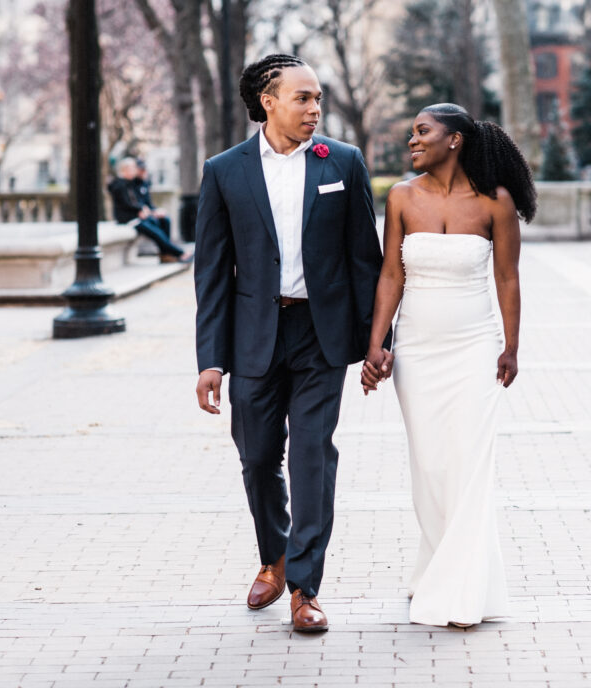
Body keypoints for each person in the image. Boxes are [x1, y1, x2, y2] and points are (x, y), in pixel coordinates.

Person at [193, 54, 385, 632]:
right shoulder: (224, 170)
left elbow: (365, 263)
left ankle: (304, 586)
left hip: (320, 336)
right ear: (268, 102)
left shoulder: (343, 163)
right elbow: (212, 273)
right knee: (257, 459)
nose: (315, 108)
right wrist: (211, 361)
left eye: (317, 97)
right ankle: (271, 558)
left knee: (311, 455)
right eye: (302, 98)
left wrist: (378, 343)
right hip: (253, 335)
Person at [360, 102, 537, 628]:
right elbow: (391, 274)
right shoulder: (401, 197)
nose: (411, 141)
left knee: (468, 463)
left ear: (455, 139)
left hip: (475, 349)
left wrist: (511, 346)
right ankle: (438, 563)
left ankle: (461, 591)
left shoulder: (494, 203)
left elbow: (507, 278)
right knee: (430, 465)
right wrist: (377, 344)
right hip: (416, 349)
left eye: (422, 131)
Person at [106, 157, 192, 263]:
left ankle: (166, 254)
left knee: (163, 221)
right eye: (133, 168)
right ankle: (180, 253)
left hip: (137, 216)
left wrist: (150, 210)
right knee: (156, 233)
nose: (135, 170)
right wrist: (141, 210)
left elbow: (140, 201)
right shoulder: (120, 184)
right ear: (126, 169)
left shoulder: (131, 183)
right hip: (130, 219)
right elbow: (127, 203)